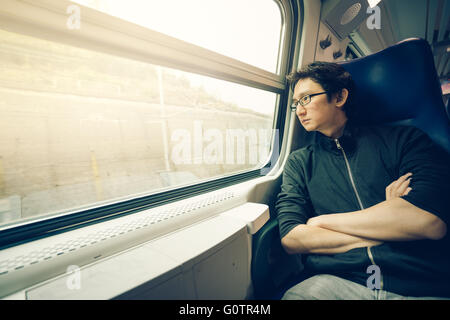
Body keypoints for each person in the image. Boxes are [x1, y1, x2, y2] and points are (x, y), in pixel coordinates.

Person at [275, 61, 450, 300]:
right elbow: (292, 237)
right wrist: (390, 221)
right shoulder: (299, 162)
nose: (299, 111)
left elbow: (429, 222)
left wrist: (320, 222)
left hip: (417, 281)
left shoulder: (404, 140)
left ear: (339, 97)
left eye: (306, 99)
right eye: (296, 104)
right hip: (340, 279)